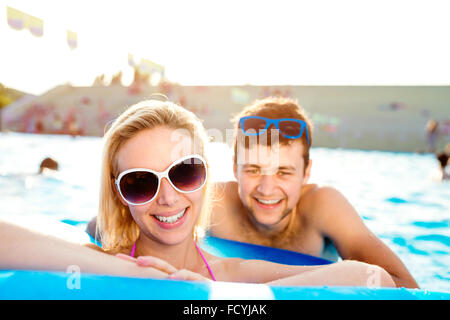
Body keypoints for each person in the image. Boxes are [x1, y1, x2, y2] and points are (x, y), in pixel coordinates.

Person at [1, 100, 395, 287]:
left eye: (185, 173)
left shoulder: (231, 275)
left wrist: (209, 292)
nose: (168, 198)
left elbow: (371, 276)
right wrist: (128, 270)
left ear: (207, 177)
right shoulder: (99, 259)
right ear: (119, 194)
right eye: (140, 182)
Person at [205, 97, 418, 288]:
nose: (267, 189)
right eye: (253, 170)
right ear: (235, 169)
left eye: (283, 172)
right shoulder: (214, 201)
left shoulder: (324, 205)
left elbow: (405, 287)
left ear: (306, 172)